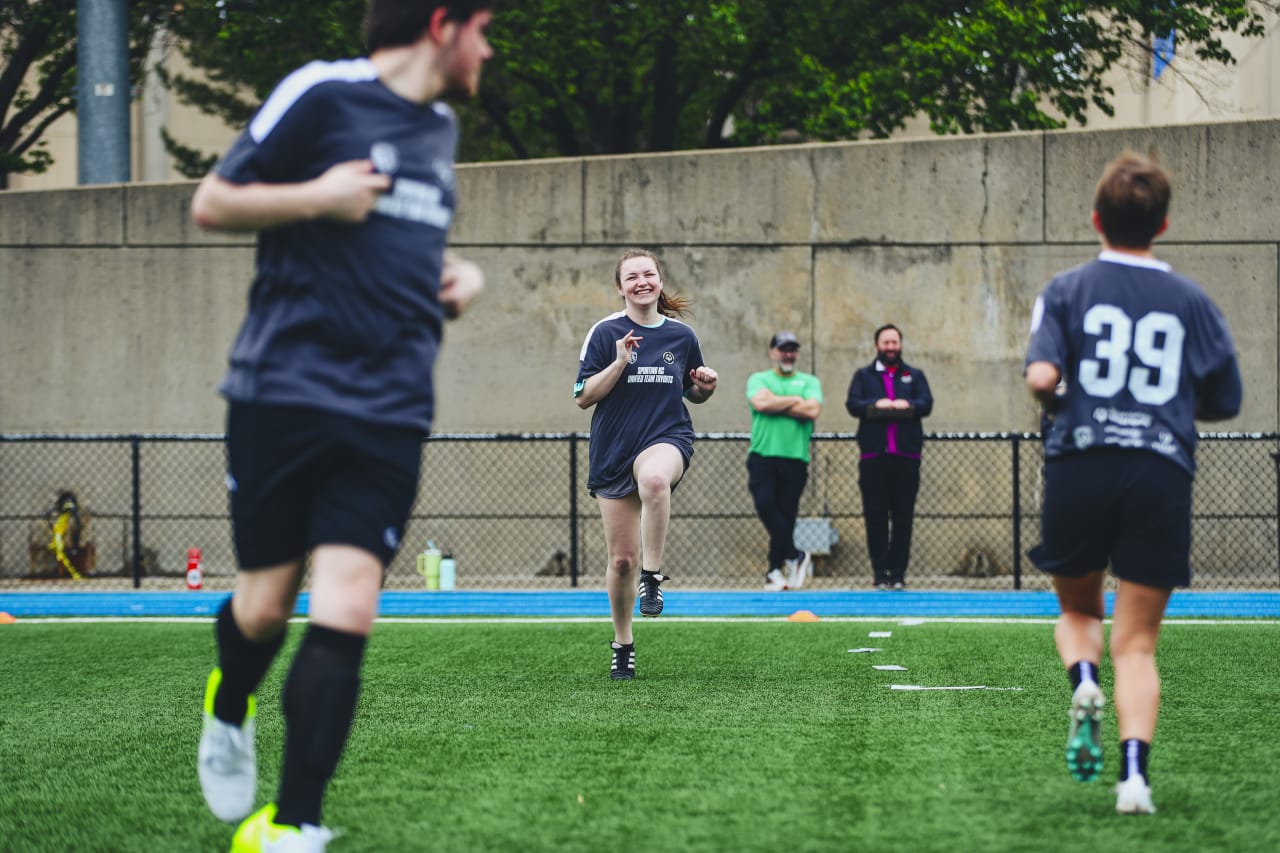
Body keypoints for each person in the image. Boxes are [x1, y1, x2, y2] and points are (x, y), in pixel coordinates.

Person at [189, 2, 494, 849]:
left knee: (350, 603)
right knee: (264, 607)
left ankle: (293, 825)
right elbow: (211, 202)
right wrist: (318, 195)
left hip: (390, 406)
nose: (490, 48)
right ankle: (230, 697)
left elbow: (399, 247)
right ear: (443, 23)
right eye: (485, 28)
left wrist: (455, 276)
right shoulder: (323, 93)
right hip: (282, 393)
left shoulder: (438, 131)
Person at [1025, 152, 1241, 815]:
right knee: (1139, 641)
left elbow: (1040, 377)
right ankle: (1134, 780)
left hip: (1081, 459)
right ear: (1164, 224)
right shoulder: (1191, 300)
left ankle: (1083, 679)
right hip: (1159, 467)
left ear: (1095, 218)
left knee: (1080, 611)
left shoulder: (1064, 289)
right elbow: (1225, 397)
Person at [574, 249, 718, 679]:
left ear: (659, 280)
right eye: (632, 276)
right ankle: (623, 643)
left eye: (648, 274)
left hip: (666, 437)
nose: (642, 281)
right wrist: (620, 360)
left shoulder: (681, 336)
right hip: (614, 450)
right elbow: (583, 396)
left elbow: (693, 393)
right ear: (620, 287)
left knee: (655, 480)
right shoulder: (605, 333)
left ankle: (652, 578)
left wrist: (705, 387)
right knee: (620, 561)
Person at [844, 324, 933, 590]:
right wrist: (875, 406)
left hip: (907, 457)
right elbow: (853, 404)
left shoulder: (914, 376)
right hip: (874, 458)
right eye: (886, 342)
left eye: (895, 342)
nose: (891, 347)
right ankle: (880, 573)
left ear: (901, 345)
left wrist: (910, 406)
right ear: (877, 346)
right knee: (876, 516)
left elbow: (926, 403)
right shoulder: (863, 376)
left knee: (903, 516)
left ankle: (898, 574)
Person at [746, 331, 823, 591]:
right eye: (783, 349)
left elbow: (812, 410)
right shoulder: (758, 379)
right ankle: (795, 554)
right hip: (763, 456)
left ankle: (774, 572)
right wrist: (794, 401)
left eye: (792, 349)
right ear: (773, 352)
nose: (787, 354)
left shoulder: (809, 381)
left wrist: (775, 401)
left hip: (795, 458)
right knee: (766, 504)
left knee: (786, 515)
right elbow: (759, 403)